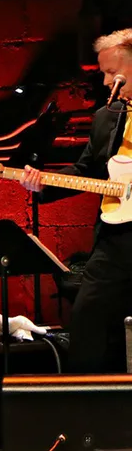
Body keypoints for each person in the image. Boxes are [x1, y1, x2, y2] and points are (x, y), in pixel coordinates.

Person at [19, 28, 132, 373]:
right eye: (103, 73)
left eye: (113, 73)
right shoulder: (107, 118)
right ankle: (88, 408)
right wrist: (42, 184)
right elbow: (87, 170)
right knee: (88, 318)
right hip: (117, 236)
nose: (105, 81)